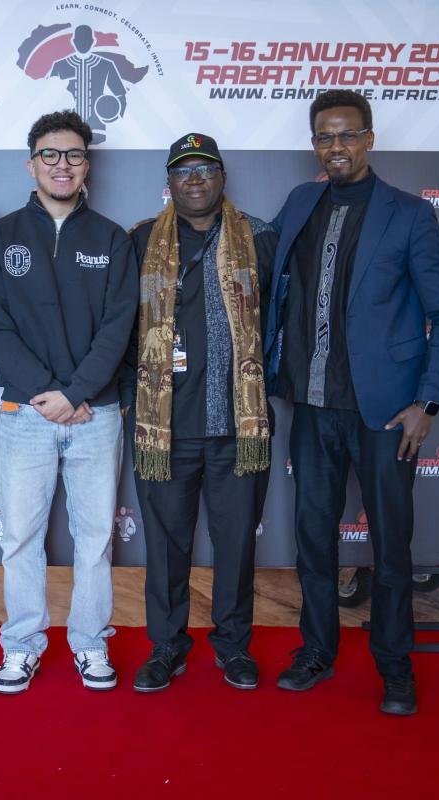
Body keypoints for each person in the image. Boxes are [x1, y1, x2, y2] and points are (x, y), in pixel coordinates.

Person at [265, 89, 439, 715]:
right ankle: (316, 652)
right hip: (311, 407)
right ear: (313, 144)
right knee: (313, 540)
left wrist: (427, 403)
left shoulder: (409, 214)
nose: (337, 146)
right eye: (325, 136)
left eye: (348, 135)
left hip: (385, 413)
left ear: (370, 139)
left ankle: (395, 667)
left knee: (391, 547)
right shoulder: (300, 203)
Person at [0, 110, 138, 694]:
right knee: (20, 537)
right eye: (50, 154)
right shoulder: (2, 237)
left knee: (94, 538)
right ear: (32, 164)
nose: (62, 164)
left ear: (86, 165)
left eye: (73, 154)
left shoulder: (112, 239)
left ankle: (90, 642)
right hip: (26, 415)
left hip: (96, 414)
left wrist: (75, 393)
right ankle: (21, 645)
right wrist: (49, 395)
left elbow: (119, 328)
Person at [122, 133, 277, 692]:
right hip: (165, 426)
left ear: (222, 177)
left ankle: (234, 647)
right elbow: (120, 326)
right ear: (169, 182)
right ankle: (167, 647)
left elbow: (282, 320)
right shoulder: (141, 240)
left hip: (239, 424)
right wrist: (130, 397)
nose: (195, 179)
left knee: (236, 545)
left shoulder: (261, 237)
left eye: (205, 168)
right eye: (183, 170)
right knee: (165, 547)